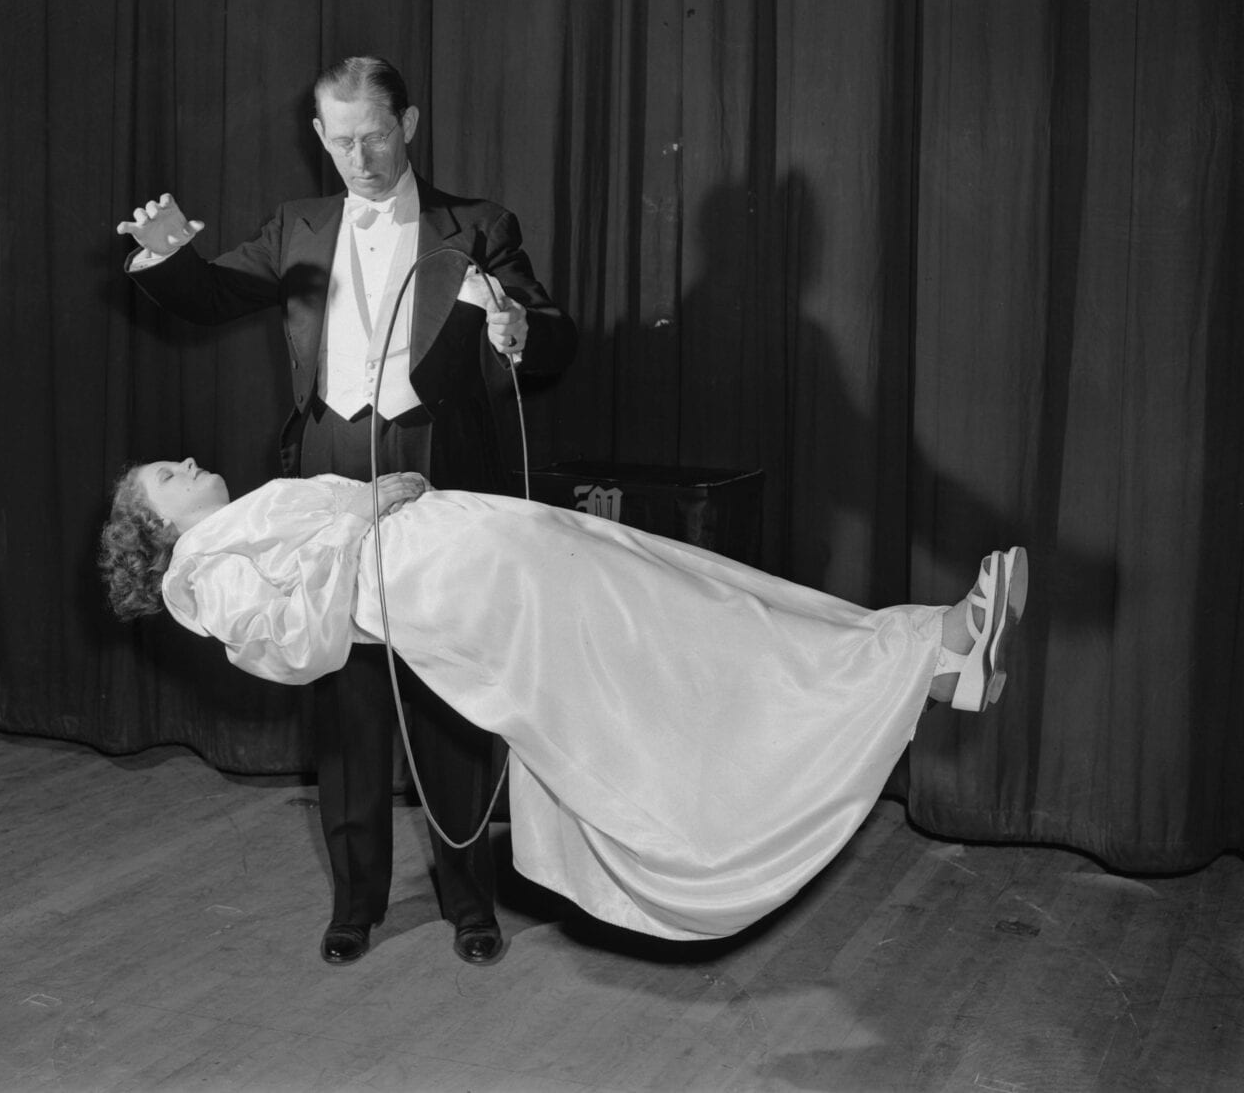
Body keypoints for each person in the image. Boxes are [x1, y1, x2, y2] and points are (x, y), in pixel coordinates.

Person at [98, 459, 1029, 943]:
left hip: (481, 548)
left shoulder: (238, 521)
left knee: (687, 590)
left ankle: (933, 657)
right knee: (678, 631)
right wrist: (362, 514)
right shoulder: (199, 576)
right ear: (159, 526)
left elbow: (351, 516)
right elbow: (305, 643)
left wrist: (389, 492)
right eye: (168, 476)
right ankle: (928, 655)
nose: (188, 461)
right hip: (462, 586)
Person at [114, 56, 577, 967]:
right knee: (350, 698)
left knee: (447, 689)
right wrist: (165, 254)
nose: (359, 158)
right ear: (319, 137)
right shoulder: (297, 224)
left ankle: (469, 903)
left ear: (409, 124)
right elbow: (212, 294)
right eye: (340, 141)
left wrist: (520, 332)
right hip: (329, 468)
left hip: (440, 465)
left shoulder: (479, 225)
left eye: (375, 136)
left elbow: (549, 330)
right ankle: (356, 904)